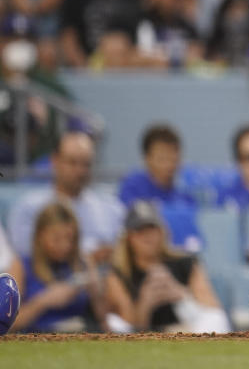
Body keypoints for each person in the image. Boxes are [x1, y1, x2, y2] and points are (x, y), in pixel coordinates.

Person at [103, 201, 228, 333]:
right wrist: (146, 302)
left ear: (162, 232)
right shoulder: (120, 273)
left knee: (215, 318)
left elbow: (211, 307)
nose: (147, 236)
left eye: (152, 229)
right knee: (115, 323)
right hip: (145, 336)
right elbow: (128, 323)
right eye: (140, 231)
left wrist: (180, 295)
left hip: (186, 330)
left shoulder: (185, 262)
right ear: (129, 237)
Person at [8, 131, 123, 262]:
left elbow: (126, 251)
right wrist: (82, 257)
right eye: (72, 162)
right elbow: (24, 252)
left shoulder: (111, 207)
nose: (80, 171)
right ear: (55, 161)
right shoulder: (29, 207)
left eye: (86, 164)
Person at [6, 201, 103, 332]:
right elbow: (7, 325)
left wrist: (95, 291)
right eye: (56, 239)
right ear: (40, 235)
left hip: (78, 337)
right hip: (36, 339)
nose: (65, 245)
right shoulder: (21, 266)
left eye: (70, 238)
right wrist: (43, 301)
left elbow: (104, 320)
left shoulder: (83, 262)